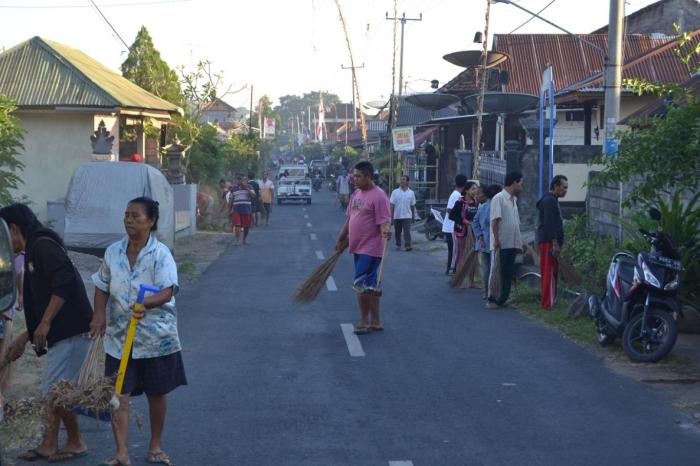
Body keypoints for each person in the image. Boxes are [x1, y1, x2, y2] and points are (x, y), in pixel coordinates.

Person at [91, 197, 185, 466]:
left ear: (151, 221)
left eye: (135, 216)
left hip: (155, 338)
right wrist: (98, 314)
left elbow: (168, 291)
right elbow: (101, 284)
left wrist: (147, 303)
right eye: (126, 215)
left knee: (157, 392)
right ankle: (121, 452)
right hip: (120, 338)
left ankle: (155, 445)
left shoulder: (160, 254)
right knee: (118, 394)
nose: (129, 220)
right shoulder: (112, 252)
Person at [1, 204, 92, 463]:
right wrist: (23, 339)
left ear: (15, 229)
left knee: (52, 388)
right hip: (64, 330)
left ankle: (53, 443)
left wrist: (46, 322)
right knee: (57, 389)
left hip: (72, 328)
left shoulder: (42, 245)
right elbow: (39, 304)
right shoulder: (34, 251)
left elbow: (64, 280)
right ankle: (71, 441)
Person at [335, 161, 391, 335]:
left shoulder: (379, 196)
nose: (354, 179)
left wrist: (386, 232)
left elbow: (384, 221)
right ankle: (375, 321)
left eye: (358, 176)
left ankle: (364, 321)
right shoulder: (356, 194)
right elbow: (350, 220)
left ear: (369, 176)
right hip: (357, 247)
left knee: (360, 284)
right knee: (370, 286)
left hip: (371, 248)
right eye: (354, 175)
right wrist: (341, 239)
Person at [487, 171, 524, 309]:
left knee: (508, 272)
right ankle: (492, 298)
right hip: (501, 243)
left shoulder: (514, 199)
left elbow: (515, 223)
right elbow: (495, 221)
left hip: (512, 243)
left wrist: (519, 242)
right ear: (514, 182)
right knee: (496, 271)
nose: (522, 187)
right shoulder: (499, 198)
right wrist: (496, 240)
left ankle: (502, 299)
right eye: (521, 183)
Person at [537, 175, 569, 310]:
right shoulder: (549, 201)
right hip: (549, 242)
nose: (566, 190)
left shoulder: (552, 200)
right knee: (549, 272)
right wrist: (555, 243)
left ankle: (550, 301)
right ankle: (547, 303)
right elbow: (549, 224)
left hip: (550, 241)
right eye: (564, 187)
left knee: (552, 271)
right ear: (555, 186)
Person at [472, 184, 501, 301]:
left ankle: (486, 291)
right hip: (495, 242)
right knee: (494, 269)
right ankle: (493, 291)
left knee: (486, 269)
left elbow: (475, 222)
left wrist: (479, 236)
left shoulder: (483, 207)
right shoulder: (495, 206)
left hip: (484, 242)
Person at [454, 181, 480, 287]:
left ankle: (472, 281)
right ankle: (458, 280)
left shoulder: (477, 203)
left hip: (474, 233)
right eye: (473, 189)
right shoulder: (460, 202)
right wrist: (464, 221)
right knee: (461, 256)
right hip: (462, 233)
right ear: (467, 191)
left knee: (473, 257)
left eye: (476, 189)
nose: (476, 191)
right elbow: (453, 216)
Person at [443, 174, 467, 275]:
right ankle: (452, 268)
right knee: (453, 249)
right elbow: (449, 209)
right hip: (451, 226)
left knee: (453, 249)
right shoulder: (457, 195)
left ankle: (451, 268)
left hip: (450, 226)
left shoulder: (456, 194)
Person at [389, 175, 416, 251]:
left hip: (407, 216)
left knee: (407, 231)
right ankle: (398, 244)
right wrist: (391, 217)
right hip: (397, 215)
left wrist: (413, 216)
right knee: (397, 231)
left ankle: (408, 245)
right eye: (401, 180)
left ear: (407, 182)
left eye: (403, 180)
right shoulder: (395, 192)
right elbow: (391, 205)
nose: (401, 181)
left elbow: (412, 206)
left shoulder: (411, 193)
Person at [227, 175, 256, 245]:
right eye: (238, 179)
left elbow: (253, 196)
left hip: (246, 209)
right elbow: (231, 200)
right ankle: (238, 241)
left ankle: (244, 239)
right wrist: (229, 210)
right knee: (237, 225)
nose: (239, 181)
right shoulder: (234, 189)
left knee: (246, 226)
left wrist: (246, 188)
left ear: (244, 180)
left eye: (241, 179)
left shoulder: (249, 187)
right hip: (236, 209)